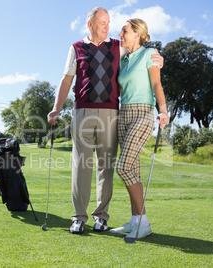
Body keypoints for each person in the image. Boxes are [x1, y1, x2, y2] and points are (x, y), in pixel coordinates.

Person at [47, 7, 163, 234]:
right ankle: (79, 217)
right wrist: (55, 108)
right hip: (82, 112)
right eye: (102, 23)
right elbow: (67, 79)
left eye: (109, 22)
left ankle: (101, 216)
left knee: (106, 166)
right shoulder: (77, 48)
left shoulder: (117, 46)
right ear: (90, 25)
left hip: (111, 113)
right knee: (81, 165)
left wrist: (159, 57)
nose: (107, 27)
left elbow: (140, 52)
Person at [109, 18, 169, 239]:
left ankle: (143, 222)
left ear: (138, 33)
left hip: (143, 114)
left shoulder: (149, 54)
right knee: (133, 169)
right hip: (124, 114)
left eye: (124, 30)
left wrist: (163, 110)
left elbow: (156, 84)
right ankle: (135, 221)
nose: (120, 33)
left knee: (123, 167)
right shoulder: (124, 59)